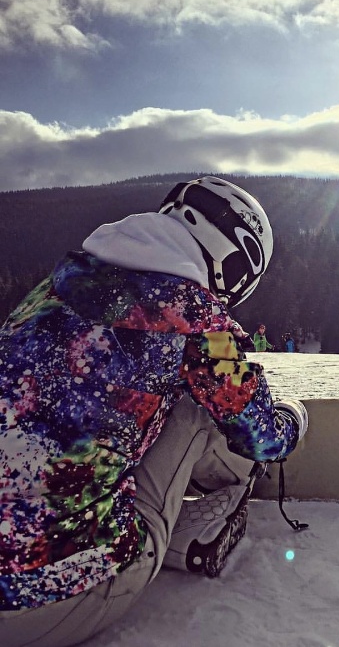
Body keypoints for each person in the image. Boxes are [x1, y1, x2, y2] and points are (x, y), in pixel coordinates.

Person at [0, 176, 308, 647]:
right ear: (232, 258)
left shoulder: (52, 291)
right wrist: (292, 421)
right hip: (57, 596)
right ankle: (204, 515)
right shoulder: (198, 322)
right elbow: (259, 436)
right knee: (196, 412)